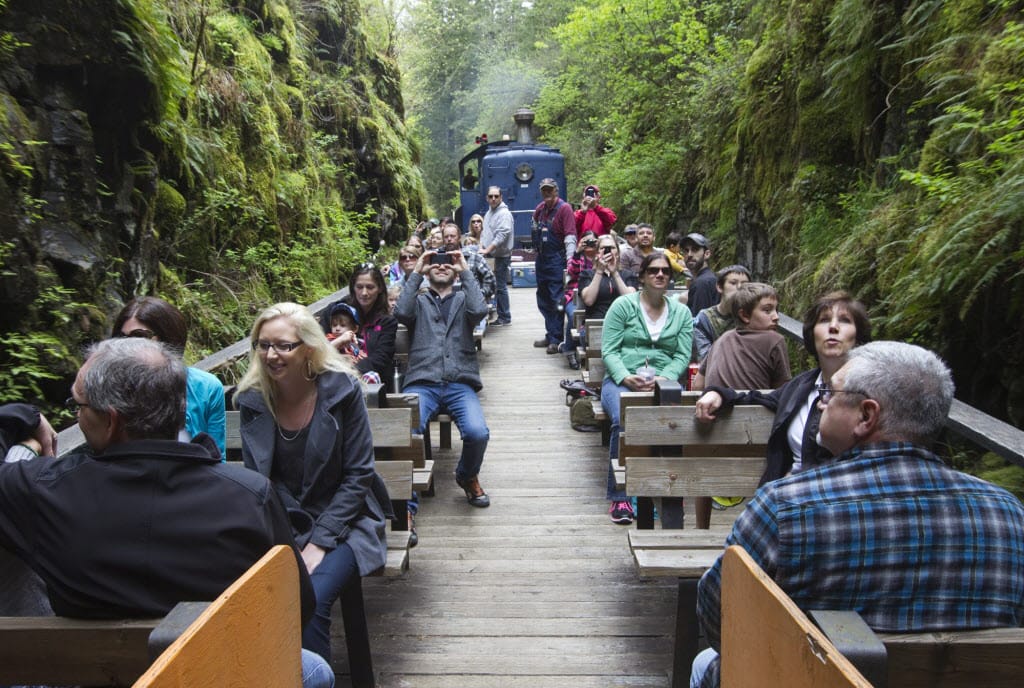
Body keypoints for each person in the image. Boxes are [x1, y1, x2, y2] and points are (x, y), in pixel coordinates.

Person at [0, 338, 334, 687]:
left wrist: (26, 417)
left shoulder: (46, 491)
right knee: (315, 670)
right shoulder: (247, 496)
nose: (77, 414)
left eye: (78, 405)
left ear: (112, 422)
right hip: (215, 675)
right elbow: (298, 605)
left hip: (94, 675)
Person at [691, 341, 1024, 688]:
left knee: (706, 663)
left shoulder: (785, 506)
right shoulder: (1009, 514)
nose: (821, 402)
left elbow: (719, 615)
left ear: (866, 416)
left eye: (830, 393)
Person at [236, 303, 392, 663]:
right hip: (282, 523)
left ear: (308, 346)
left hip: (347, 521)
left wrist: (320, 542)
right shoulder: (253, 399)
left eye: (283, 346)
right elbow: (259, 481)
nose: (271, 355)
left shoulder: (342, 391)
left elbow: (358, 475)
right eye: (263, 345)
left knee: (311, 597)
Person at [695, 291, 871, 483]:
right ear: (812, 333)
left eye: (845, 320)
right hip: (787, 495)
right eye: (824, 320)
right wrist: (717, 393)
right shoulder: (801, 386)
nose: (834, 327)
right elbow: (755, 397)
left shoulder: (872, 391)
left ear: (858, 336)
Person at [394, 245, 491, 508]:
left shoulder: (463, 299)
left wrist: (465, 271)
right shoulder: (418, 301)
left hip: (459, 384)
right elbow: (400, 312)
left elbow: (479, 311)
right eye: (435, 262)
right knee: (404, 432)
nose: (441, 265)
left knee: (477, 432)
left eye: (447, 263)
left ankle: (467, 475)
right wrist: (417, 271)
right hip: (422, 383)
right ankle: (406, 507)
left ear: (456, 271)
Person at [600, 253, 693, 524]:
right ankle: (621, 497)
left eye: (665, 271)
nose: (660, 275)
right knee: (625, 418)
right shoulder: (623, 306)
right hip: (622, 381)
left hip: (664, 384)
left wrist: (664, 378)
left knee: (671, 425)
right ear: (642, 276)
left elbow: (681, 355)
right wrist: (626, 377)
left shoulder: (681, 312)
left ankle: (657, 493)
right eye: (653, 270)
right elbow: (610, 350)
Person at [112, 296, 226, 457]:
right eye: (122, 338)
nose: (129, 346)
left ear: (168, 338)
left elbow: (216, 456)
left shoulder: (206, 387)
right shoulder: (111, 387)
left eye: (139, 336)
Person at [698, 282, 791, 392]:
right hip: (753, 407)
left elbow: (698, 384)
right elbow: (784, 391)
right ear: (745, 315)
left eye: (776, 310)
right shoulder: (774, 340)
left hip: (714, 406)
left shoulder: (722, 338)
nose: (776, 317)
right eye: (767, 310)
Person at [321, 264, 398, 384]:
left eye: (370, 287)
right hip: (334, 374)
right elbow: (318, 345)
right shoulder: (335, 311)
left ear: (380, 289)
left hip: (369, 380)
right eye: (359, 287)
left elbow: (381, 358)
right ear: (353, 288)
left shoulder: (386, 321)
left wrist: (351, 369)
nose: (364, 293)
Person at [531, 178, 577, 354]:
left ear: (556, 191)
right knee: (543, 298)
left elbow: (570, 236)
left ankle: (556, 338)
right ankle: (550, 334)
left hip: (557, 259)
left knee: (557, 299)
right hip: (542, 259)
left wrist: (570, 262)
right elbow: (534, 229)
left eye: (550, 190)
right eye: (544, 191)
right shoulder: (540, 209)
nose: (547, 193)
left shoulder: (564, 209)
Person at [692, 265, 751, 362]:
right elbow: (705, 356)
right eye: (733, 283)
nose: (740, 287)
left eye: (744, 284)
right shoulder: (705, 319)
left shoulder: (752, 317)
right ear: (719, 287)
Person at [560, 230, 599, 368]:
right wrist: (577, 252)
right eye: (585, 241)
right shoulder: (578, 257)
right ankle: (569, 350)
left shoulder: (601, 257)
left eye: (592, 242)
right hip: (575, 295)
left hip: (597, 295)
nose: (589, 244)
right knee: (573, 315)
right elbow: (571, 271)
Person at [480, 185, 514, 326]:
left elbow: (502, 235)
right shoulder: (490, 213)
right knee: (496, 286)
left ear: (501, 197)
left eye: (496, 196)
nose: (493, 199)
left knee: (500, 287)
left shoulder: (504, 214)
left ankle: (505, 317)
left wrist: (488, 249)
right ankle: (500, 314)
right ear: (487, 198)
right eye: (491, 196)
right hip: (492, 255)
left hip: (501, 255)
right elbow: (486, 232)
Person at [442, 220, 496, 301]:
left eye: (452, 236)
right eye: (446, 237)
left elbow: (491, 281)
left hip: (469, 304)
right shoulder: (437, 258)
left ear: (459, 238)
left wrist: (479, 294)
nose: (449, 239)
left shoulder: (474, 257)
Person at [682, 232, 718, 316]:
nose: (689, 254)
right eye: (686, 251)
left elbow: (698, 323)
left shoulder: (702, 283)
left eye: (695, 249)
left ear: (707, 254)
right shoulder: (709, 278)